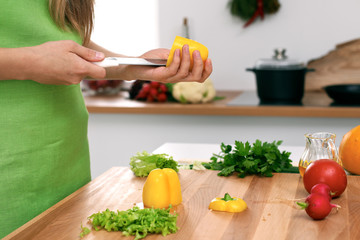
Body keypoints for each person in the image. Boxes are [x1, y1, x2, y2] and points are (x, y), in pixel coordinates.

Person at [0, 0, 212, 237]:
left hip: (65, 165)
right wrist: (29, 62)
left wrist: (129, 67)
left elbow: (67, 38)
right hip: (8, 176)